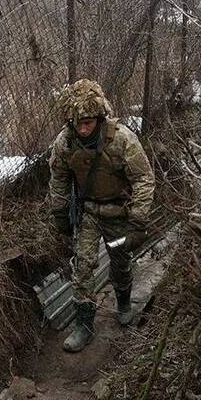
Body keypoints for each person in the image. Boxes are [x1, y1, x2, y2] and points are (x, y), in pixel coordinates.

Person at [48, 79, 155, 353]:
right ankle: (84, 325)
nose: (83, 128)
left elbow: (144, 179)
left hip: (118, 211)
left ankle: (123, 301)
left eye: (89, 122)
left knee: (120, 259)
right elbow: (59, 179)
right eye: (78, 123)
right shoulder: (66, 143)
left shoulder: (121, 139)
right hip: (88, 213)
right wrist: (60, 213)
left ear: (99, 117)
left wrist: (138, 221)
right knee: (82, 266)